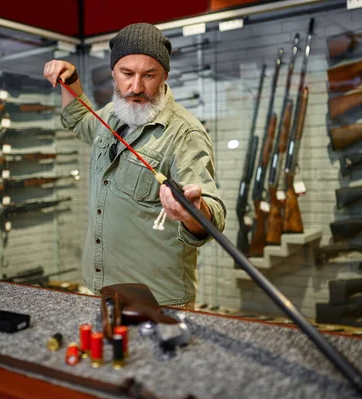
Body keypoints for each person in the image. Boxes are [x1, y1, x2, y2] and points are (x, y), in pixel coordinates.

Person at [43, 22, 226, 308]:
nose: (136, 87)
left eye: (149, 75)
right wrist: (72, 79)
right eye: (126, 74)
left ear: (165, 75)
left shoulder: (185, 133)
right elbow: (80, 120)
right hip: (102, 291)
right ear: (113, 73)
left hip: (157, 301)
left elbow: (213, 216)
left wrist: (193, 211)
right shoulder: (113, 115)